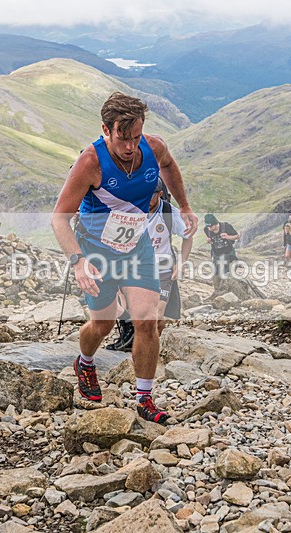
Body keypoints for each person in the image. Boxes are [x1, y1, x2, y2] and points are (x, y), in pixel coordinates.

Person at [51, 92, 198, 424]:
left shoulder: (153, 147)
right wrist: (78, 262)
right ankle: (85, 363)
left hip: (136, 248)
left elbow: (169, 166)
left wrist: (185, 206)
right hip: (97, 252)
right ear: (106, 130)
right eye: (123, 138)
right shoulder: (90, 163)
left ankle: (144, 398)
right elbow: (59, 218)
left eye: (136, 137)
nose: (131, 146)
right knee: (102, 325)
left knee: (147, 321)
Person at [107, 178, 195, 351]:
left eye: (149, 195)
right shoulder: (129, 210)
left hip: (162, 267)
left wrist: (182, 262)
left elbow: (188, 236)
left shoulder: (169, 212)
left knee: (157, 315)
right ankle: (132, 341)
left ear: (160, 194)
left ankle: (146, 351)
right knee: (127, 308)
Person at [204, 213, 240, 290]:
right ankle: (217, 292)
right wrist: (209, 241)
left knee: (227, 276)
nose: (209, 228)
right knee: (215, 277)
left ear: (215, 223)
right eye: (208, 227)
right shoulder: (207, 230)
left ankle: (228, 291)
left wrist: (228, 237)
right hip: (216, 255)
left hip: (228, 254)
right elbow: (211, 241)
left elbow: (237, 236)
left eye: (211, 226)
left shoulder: (226, 226)